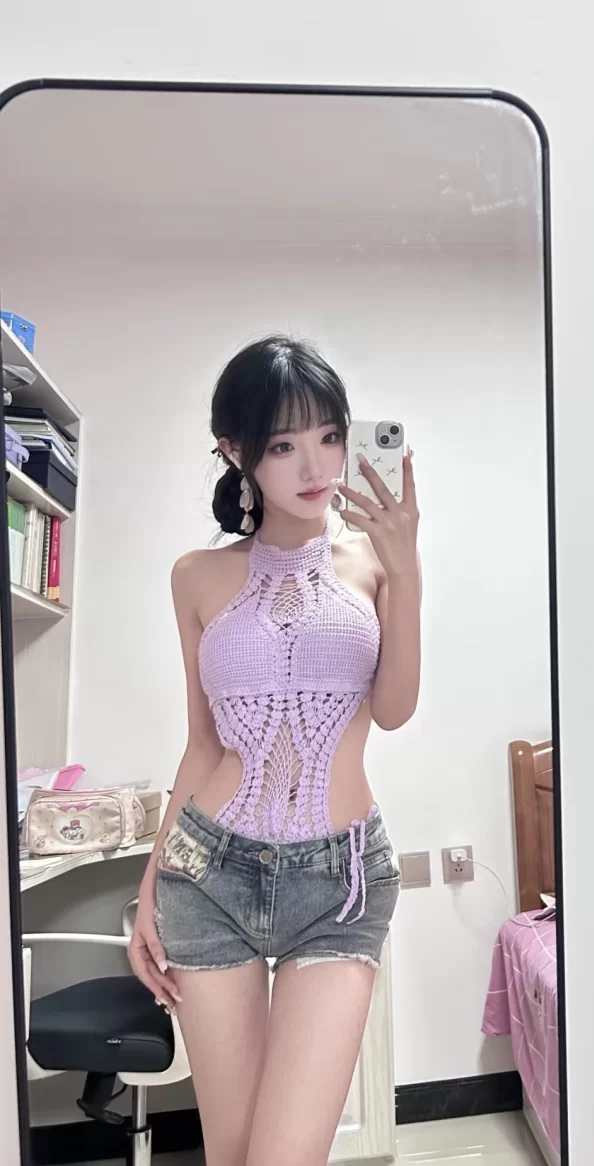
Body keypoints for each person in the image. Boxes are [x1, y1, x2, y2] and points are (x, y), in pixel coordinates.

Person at [128, 335, 421, 1166]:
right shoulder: (196, 575)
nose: (315, 465)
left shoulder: (375, 563)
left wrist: (407, 565)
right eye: (284, 445)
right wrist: (149, 888)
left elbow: (394, 710)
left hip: (339, 883)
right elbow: (201, 746)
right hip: (206, 876)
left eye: (329, 436)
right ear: (237, 451)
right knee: (230, 1155)